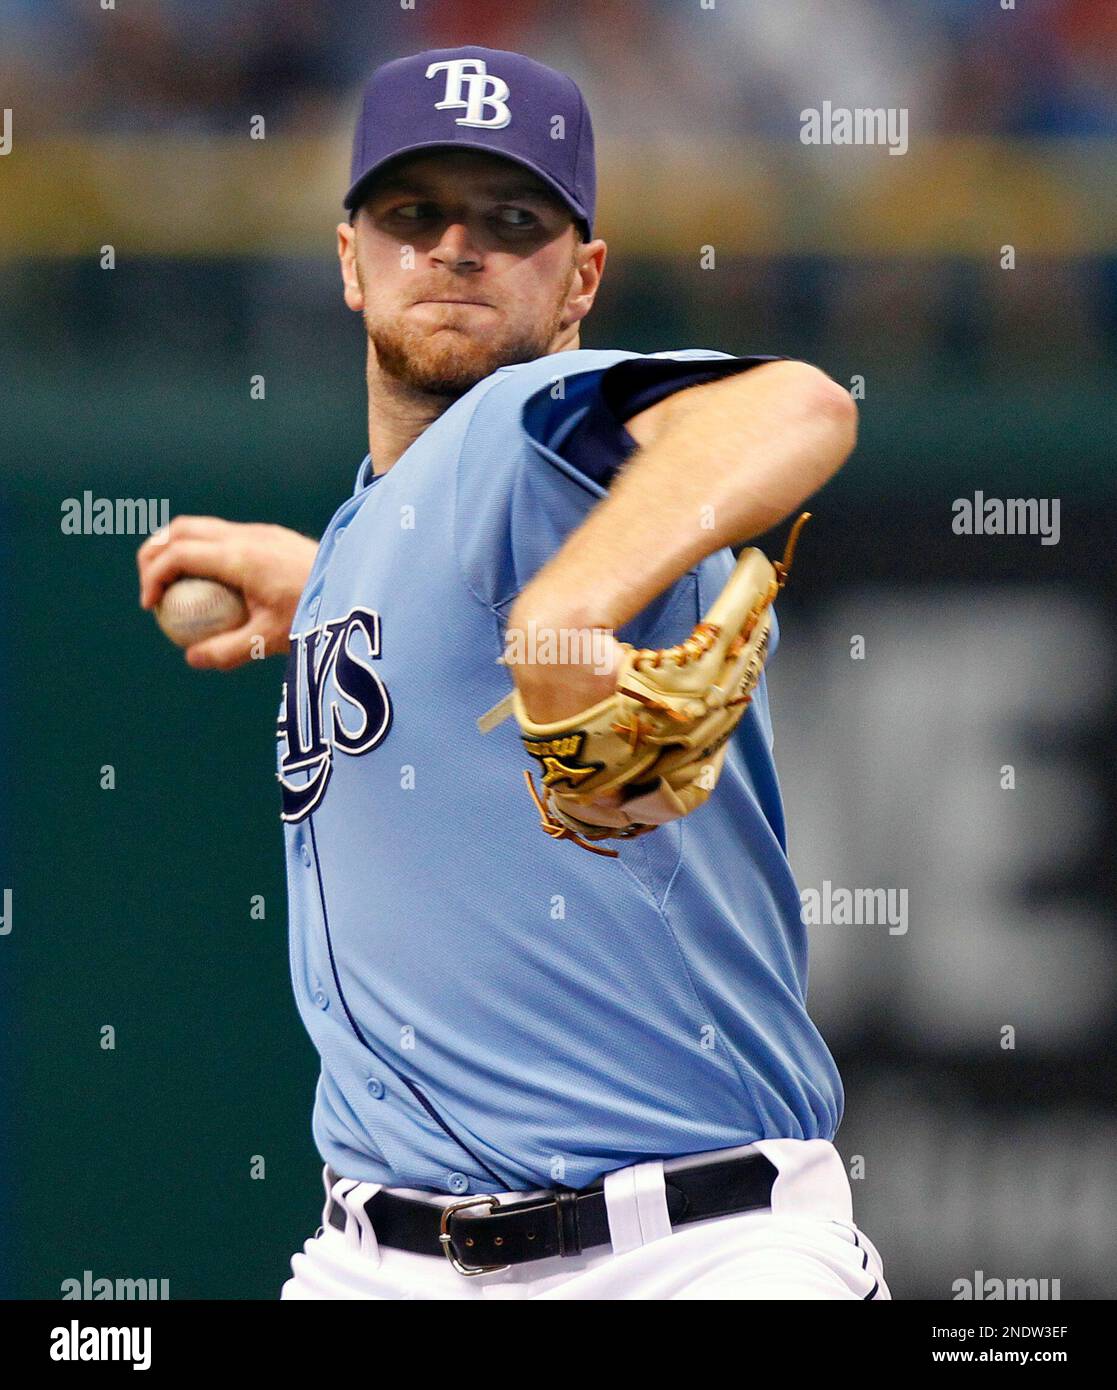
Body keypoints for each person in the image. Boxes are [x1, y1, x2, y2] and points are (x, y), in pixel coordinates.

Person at [137, 46, 887, 1300]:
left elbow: (799, 406)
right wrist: (331, 582)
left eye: (511, 218)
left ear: (582, 278)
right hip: (375, 1259)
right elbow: (458, 586)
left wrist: (571, 609)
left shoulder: (533, 416)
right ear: (348, 257)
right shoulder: (381, 528)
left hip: (688, 1254)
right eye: (411, 213)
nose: (454, 247)